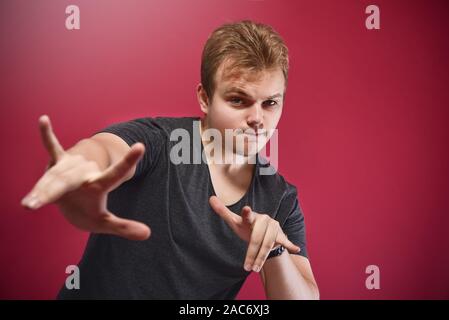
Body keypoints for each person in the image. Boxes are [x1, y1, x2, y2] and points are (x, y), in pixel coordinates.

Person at [21, 20, 319, 299]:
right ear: (204, 98)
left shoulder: (280, 199)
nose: (257, 119)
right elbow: (106, 150)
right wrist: (82, 172)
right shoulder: (159, 142)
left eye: (270, 103)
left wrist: (274, 251)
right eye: (238, 100)